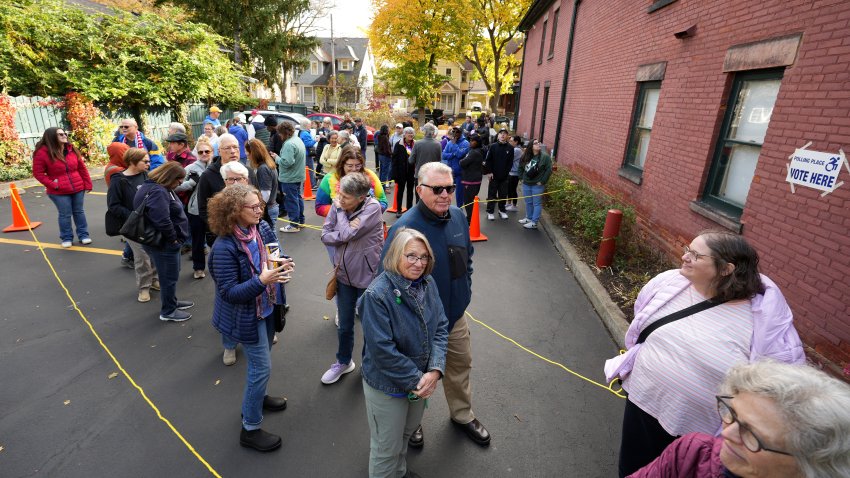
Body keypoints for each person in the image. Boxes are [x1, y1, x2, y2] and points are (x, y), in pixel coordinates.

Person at [604, 231, 805, 478]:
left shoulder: (763, 323)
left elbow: (776, 387)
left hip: (697, 432)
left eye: (696, 255)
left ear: (726, 269)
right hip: (643, 400)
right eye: (688, 248)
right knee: (633, 469)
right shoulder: (669, 282)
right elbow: (642, 315)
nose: (684, 256)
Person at [384, 162, 491, 449]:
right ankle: (413, 423)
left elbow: (466, 259)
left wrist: (463, 291)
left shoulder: (457, 216)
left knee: (459, 367)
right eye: (438, 189)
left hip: (453, 319)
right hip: (415, 325)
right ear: (419, 190)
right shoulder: (403, 228)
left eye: (450, 188)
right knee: (417, 377)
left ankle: (462, 415)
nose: (445, 195)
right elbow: (387, 281)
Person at [629, 360, 850, 478]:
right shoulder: (693, 453)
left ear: (812, 465)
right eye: (731, 414)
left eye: (752, 434)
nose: (725, 434)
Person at [207, 184, 294, 452]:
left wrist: (284, 264)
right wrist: (262, 280)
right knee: (261, 368)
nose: (260, 211)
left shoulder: (261, 229)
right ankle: (250, 427)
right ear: (234, 211)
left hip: (266, 307)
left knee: (263, 361)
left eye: (261, 205)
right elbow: (229, 292)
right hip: (247, 314)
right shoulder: (224, 247)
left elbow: (274, 256)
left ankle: (258, 399)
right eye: (253, 207)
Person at [360, 227, 448, 478]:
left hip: (420, 382)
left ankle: (398, 472)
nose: (419, 263)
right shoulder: (376, 296)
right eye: (411, 256)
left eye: (424, 257)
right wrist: (419, 379)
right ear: (395, 255)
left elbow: (441, 325)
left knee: (406, 435)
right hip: (387, 387)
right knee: (385, 449)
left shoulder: (428, 283)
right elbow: (382, 351)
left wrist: (435, 369)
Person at [319, 172, 384, 384]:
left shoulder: (372, 208)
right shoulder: (340, 203)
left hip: (368, 277)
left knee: (370, 325)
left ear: (360, 198)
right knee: (345, 324)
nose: (339, 199)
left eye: (345, 197)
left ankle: (369, 364)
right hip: (344, 275)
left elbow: (346, 235)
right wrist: (340, 231)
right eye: (340, 194)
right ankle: (343, 361)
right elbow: (325, 234)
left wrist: (338, 212)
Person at [132, 161, 193, 322]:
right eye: (178, 180)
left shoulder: (152, 186)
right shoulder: (159, 191)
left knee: (169, 275)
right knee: (168, 277)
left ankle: (172, 302)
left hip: (159, 242)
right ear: (169, 177)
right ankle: (168, 311)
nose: (180, 183)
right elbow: (162, 219)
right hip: (164, 243)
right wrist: (173, 239)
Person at [107, 148, 159, 302]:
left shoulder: (146, 176)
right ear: (132, 162)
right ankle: (144, 287)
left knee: (154, 252)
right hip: (133, 226)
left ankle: (155, 280)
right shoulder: (118, 180)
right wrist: (133, 215)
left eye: (148, 161)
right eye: (145, 161)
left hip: (151, 222)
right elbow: (113, 205)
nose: (149, 164)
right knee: (142, 257)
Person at [32, 127, 93, 248]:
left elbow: (81, 167)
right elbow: (38, 173)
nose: (64, 135)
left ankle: (83, 235)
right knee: (65, 214)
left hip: (78, 187)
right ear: (51, 137)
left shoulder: (71, 149)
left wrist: (88, 183)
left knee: (79, 212)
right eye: (60, 134)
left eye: (65, 133)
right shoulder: (43, 153)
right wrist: (53, 184)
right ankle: (66, 238)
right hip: (59, 191)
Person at [197, 134, 259, 227]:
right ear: (219, 151)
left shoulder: (248, 171)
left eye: (235, 147)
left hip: (250, 230)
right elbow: (203, 209)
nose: (233, 151)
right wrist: (221, 228)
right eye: (227, 148)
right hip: (224, 231)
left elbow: (258, 199)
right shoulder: (208, 175)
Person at [175, 136, 212, 280]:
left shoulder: (218, 166)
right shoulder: (189, 168)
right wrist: (190, 183)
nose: (204, 154)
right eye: (200, 151)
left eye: (207, 151)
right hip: (195, 210)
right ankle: (198, 268)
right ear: (196, 153)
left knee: (217, 240)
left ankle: (219, 266)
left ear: (212, 151)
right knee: (197, 240)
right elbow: (175, 187)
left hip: (215, 210)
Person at [315, 145, 388, 217]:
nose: (354, 169)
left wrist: (366, 215)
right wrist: (342, 211)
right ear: (342, 164)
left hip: (367, 226)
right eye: (350, 166)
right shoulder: (329, 179)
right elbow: (319, 207)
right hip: (338, 227)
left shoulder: (369, 176)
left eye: (358, 165)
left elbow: (383, 201)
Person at [276, 122, 306, 233]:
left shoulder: (289, 144)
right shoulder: (297, 140)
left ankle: (294, 224)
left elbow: (286, 162)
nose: (279, 136)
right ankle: (300, 221)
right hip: (298, 175)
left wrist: (277, 158)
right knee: (297, 198)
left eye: (280, 133)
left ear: (285, 132)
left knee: (291, 201)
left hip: (289, 177)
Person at [517, 140, 553, 229]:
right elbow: (520, 167)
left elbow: (548, 170)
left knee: (536, 203)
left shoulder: (545, 157)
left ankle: (534, 222)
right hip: (526, 184)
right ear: (531, 146)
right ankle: (528, 218)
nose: (538, 144)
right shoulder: (525, 156)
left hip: (537, 185)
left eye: (539, 143)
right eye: (536, 143)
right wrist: (521, 178)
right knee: (528, 202)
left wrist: (542, 181)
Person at [246, 138, 279, 230]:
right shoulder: (268, 164)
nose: (247, 155)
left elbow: (265, 193)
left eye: (248, 152)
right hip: (272, 206)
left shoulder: (263, 169)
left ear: (253, 153)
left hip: (268, 208)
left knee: (271, 239)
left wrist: (258, 209)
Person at [483, 128, 513, 221]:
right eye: (501, 133)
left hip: (504, 176)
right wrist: (489, 172)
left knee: (503, 194)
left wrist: (506, 173)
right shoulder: (493, 146)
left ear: (507, 136)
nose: (503, 135)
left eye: (505, 133)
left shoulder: (510, 148)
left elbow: (510, 162)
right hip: (493, 175)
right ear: (498, 135)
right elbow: (488, 160)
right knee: (492, 194)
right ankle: (490, 212)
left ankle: (502, 210)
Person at [391, 127, 416, 217]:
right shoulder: (399, 144)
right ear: (404, 134)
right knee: (400, 191)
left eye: (412, 133)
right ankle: (398, 210)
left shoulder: (415, 144)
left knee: (410, 191)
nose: (410, 135)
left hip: (411, 172)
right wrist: (394, 174)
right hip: (401, 172)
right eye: (409, 133)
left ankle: (409, 210)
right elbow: (394, 160)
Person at [441, 126, 469, 206]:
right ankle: (446, 209)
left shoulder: (465, 143)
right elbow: (444, 155)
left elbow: (460, 154)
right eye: (453, 131)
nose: (455, 133)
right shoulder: (450, 142)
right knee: (446, 192)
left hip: (460, 173)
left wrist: (455, 145)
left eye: (457, 131)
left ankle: (459, 209)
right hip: (450, 172)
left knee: (459, 194)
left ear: (460, 132)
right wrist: (453, 154)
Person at [459, 134, 484, 223]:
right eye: (470, 140)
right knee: (471, 200)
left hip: (470, 180)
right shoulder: (479, 151)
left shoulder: (473, 152)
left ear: (477, 142)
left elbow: (462, 163)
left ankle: (470, 220)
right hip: (476, 179)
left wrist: (461, 160)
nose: (470, 142)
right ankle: (471, 219)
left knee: (468, 201)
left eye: (473, 140)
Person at [506, 135, 524, 211]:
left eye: (511, 141)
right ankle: (509, 203)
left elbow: (508, 158)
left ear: (516, 142)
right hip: (511, 172)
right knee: (509, 189)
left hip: (514, 173)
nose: (510, 142)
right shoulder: (514, 149)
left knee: (513, 189)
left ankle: (514, 206)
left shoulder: (517, 150)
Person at [298, 118, 318, 190]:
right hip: (307, 154)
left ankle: (306, 184)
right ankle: (311, 185)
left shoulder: (302, 132)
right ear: (306, 125)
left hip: (305, 153)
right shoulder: (305, 133)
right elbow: (308, 144)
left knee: (307, 169)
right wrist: (315, 140)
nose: (310, 125)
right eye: (309, 124)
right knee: (310, 169)